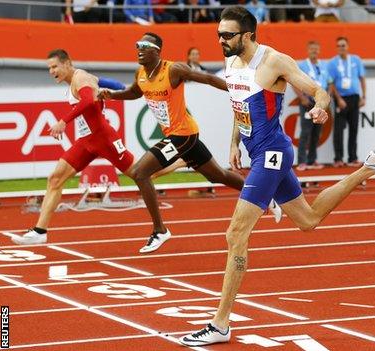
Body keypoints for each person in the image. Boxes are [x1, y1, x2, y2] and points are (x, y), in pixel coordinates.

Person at [179, 6, 375, 346]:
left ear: (248, 35)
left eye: (227, 35)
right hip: (257, 153)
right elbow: (239, 107)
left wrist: (319, 106)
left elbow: (319, 91)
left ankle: (221, 323)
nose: (221, 40)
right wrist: (234, 143)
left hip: (272, 153)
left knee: (236, 233)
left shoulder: (274, 61)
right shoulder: (230, 62)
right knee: (309, 219)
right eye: (218, 35)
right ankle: (370, 166)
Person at [99, 32, 281, 254]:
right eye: (137, 44)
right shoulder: (141, 75)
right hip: (182, 135)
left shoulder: (173, 70)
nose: (139, 48)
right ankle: (265, 195)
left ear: (156, 50)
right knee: (217, 176)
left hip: (182, 135)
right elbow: (133, 93)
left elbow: (207, 79)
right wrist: (111, 95)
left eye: (144, 45)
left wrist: (240, 90)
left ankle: (160, 230)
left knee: (139, 172)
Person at [10, 49, 136, 245]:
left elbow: (87, 100)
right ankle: (40, 231)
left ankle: (182, 160)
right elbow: (111, 83)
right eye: (49, 68)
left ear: (67, 63)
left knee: (142, 173)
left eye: (54, 66)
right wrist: (112, 88)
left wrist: (63, 121)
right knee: (55, 179)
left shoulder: (80, 77)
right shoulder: (84, 78)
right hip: (86, 141)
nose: (51, 71)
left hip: (103, 138)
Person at [327, 37, 366, 168]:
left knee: (354, 129)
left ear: (347, 46)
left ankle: (352, 157)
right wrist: (338, 99)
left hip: (354, 98)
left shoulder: (356, 60)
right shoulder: (332, 63)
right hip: (341, 99)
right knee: (338, 130)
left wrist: (364, 97)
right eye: (339, 46)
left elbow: (362, 79)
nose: (341, 48)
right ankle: (338, 158)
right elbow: (331, 83)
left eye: (343, 45)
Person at [293, 41, 331, 171]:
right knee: (305, 132)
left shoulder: (323, 66)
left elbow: (329, 82)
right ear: (308, 50)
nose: (314, 51)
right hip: (308, 103)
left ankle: (312, 160)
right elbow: (294, 83)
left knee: (316, 133)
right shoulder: (303, 66)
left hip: (320, 104)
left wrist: (327, 97)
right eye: (312, 49)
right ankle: (302, 161)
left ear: (319, 50)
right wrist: (302, 98)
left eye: (316, 49)